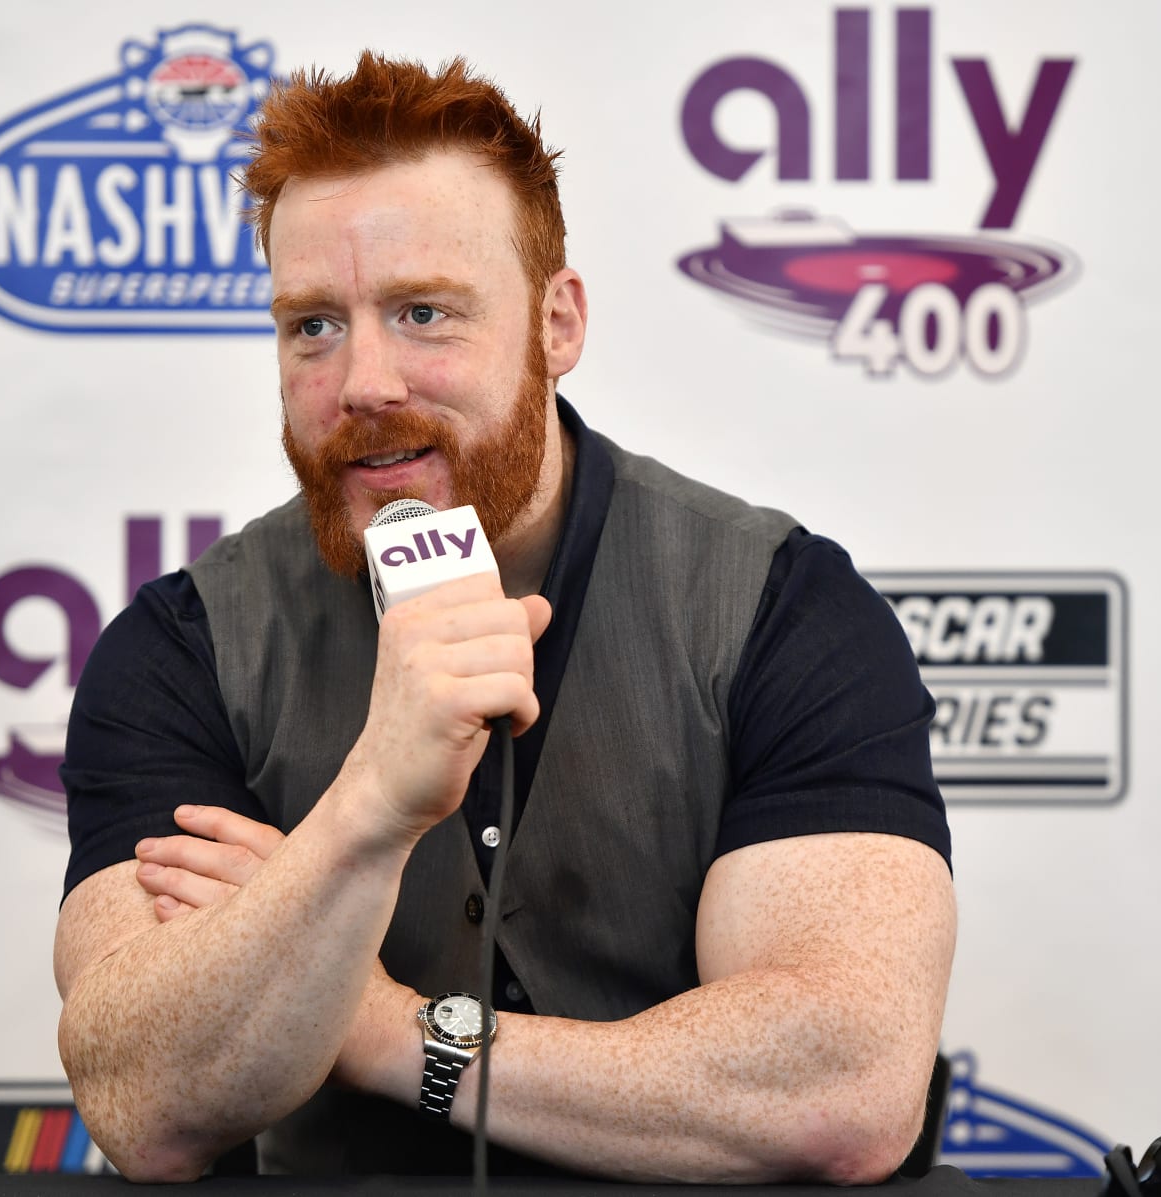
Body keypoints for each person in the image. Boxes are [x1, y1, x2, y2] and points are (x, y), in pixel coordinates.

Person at [52, 51, 957, 1184]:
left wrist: (388, 1034)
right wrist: (369, 810)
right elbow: (145, 1101)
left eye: (424, 313)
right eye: (312, 327)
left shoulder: (777, 607)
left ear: (556, 322)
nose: (363, 381)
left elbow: (845, 1088)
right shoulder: (185, 650)